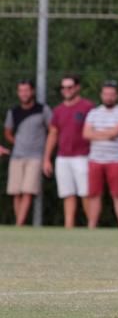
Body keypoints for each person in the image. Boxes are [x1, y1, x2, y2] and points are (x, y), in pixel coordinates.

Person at [43, 75, 95, 228]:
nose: (66, 90)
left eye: (70, 87)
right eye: (64, 88)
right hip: (63, 158)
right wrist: (46, 158)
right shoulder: (58, 110)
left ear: (77, 87)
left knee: (86, 194)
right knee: (68, 194)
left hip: (83, 156)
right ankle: (69, 227)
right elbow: (53, 133)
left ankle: (92, 227)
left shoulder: (88, 107)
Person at [82, 81, 118, 230]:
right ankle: (92, 226)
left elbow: (116, 132)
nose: (108, 97)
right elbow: (86, 134)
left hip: (115, 160)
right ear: (101, 95)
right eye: (106, 94)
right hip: (95, 159)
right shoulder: (94, 113)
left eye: (111, 94)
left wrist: (97, 133)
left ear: (117, 96)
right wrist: (107, 134)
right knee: (94, 194)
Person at [4, 80, 51, 226]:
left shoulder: (43, 110)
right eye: (21, 91)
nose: (24, 94)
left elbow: (52, 130)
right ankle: (21, 224)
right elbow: (8, 132)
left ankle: (19, 224)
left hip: (35, 156)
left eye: (26, 90)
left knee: (28, 191)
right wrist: (17, 143)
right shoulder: (14, 112)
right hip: (17, 156)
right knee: (16, 192)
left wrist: (46, 153)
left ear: (32, 91)